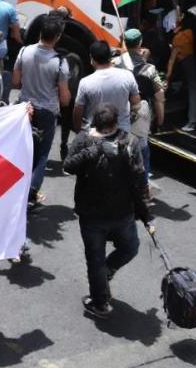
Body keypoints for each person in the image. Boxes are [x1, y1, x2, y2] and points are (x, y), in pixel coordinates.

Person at [62, 104, 155, 319]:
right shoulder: (85, 140)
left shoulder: (129, 142)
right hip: (93, 215)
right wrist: (92, 152)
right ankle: (100, 302)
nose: (105, 133)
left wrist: (145, 214)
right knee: (96, 259)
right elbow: (68, 166)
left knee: (128, 248)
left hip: (122, 214)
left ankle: (104, 275)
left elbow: (138, 179)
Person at [12, 16, 71, 207]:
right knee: (42, 155)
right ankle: (31, 196)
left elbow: (15, 82)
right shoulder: (60, 62)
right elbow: (64, 98)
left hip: (24, 108)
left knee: (22, 152)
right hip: (47, 112)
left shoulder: (24, 51)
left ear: (40, 32)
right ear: (58, 37)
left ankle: (16, 191)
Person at [114, 28, 164, 188]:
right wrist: (160, 119)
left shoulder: (115, 64)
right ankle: (143, 188)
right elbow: (159, 97)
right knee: (142, 151)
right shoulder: (150, 69)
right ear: (140, 42)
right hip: (140, 114)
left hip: (118, 111)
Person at [73, 41, 140, 135]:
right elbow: (136, 104)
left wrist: (78, 130)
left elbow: (78, 111)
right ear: (110, 57)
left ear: (92, 59)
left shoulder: (85, 83)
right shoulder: (128, 75)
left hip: (94, 132)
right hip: (122, 131)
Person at [166, 10, 196, 131]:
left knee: (192, 90)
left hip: (185, 63)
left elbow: (171, 60)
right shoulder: (189, 32)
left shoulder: (177, 39)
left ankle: (192, 121)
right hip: (192, 60)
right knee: (191, 88)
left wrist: (168, 75)